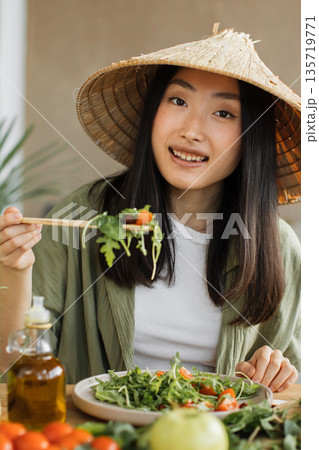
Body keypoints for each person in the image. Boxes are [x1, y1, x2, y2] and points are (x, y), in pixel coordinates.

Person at [0, 25, 300, 390]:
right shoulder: (81, 213)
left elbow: (295, 395)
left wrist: (278, 371)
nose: (191, 129)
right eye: (178, 101)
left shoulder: (278, 247)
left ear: (250, 138)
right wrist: (15, 270)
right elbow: (12, 371)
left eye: (224, 113)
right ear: (152, 112)